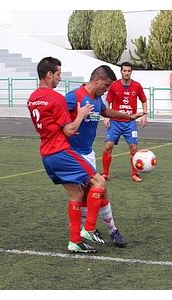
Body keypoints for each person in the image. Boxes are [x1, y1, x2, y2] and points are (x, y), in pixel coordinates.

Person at [28, 56, 110, 254]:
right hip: (61, 151)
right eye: (57, 74)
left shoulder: (32, 98)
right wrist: (81, 114)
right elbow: (69, 130)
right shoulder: (56, 98)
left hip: (46, 155)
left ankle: (75, 241)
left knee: (77, 193)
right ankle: (89, 229)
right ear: (48, 75)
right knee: (99, 182)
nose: (59, 79)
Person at [65, 65, 146, 247]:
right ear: (97, 80)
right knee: (96, 188)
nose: (107, 89)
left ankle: (91, 230)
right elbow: (58, 114)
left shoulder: (97, 99)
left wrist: (127, 116)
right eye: (106, 85)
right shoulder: (75, 96)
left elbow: (105, 111)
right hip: (73, 155)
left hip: (88, 153)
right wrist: (67, 129)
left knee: (93, 193)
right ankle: (107, 230)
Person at [101, 62, 148, 183]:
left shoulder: (137, 86)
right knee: (108, 146)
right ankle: (105, 173)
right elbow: (108, 101)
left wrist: (144, 114)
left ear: (131, 72)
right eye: (124, 71)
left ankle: (134, 174)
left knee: (133, 148)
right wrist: (106, 117)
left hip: (130, 122)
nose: (126, 73)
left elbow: (143, 100)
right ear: (121, 72)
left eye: (128, 71)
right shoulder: (114, 86)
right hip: (115, 122)